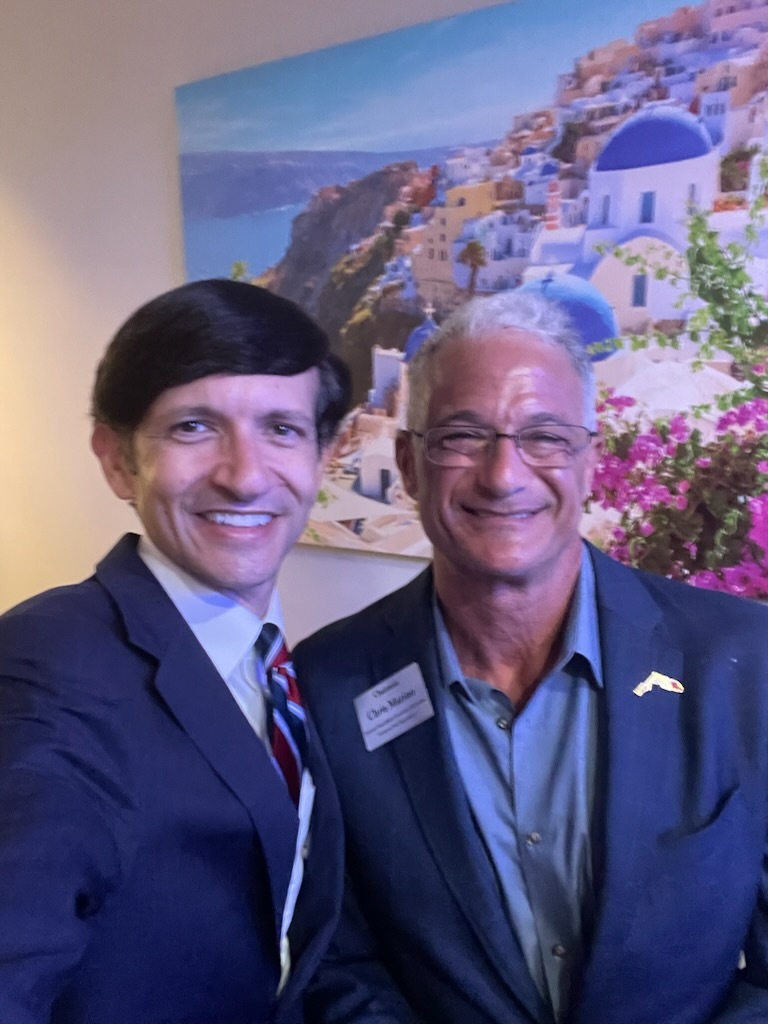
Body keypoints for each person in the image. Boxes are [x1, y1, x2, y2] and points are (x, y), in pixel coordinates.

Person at [295, 290, 768, 1024]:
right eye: (462, 436)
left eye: (544, 436)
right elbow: (339, 962)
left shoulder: (742, 663)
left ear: (588, 462)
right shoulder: (330, 685)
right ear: (409, 465)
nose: (503, 475)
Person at [0, 279, 351, 1024]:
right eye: (194, 427)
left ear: (323, 455)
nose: (246, 474)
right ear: (117, 460)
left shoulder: (285, 667)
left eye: (281, 429)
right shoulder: (48, 672)